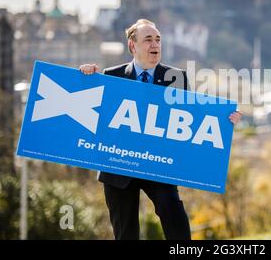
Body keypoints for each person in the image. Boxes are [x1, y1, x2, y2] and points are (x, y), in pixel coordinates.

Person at [79, 19, 242, 240]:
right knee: (125, 234)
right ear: (132, 46)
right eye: (148, 39)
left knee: (174, 215)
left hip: (158, 164)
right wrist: (86, 76)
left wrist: (225, 120)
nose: (155, 44)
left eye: (158, 39)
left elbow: (194, 118)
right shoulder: (111, 76)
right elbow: (89, 111)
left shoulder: (176, 78)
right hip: (118, 166)